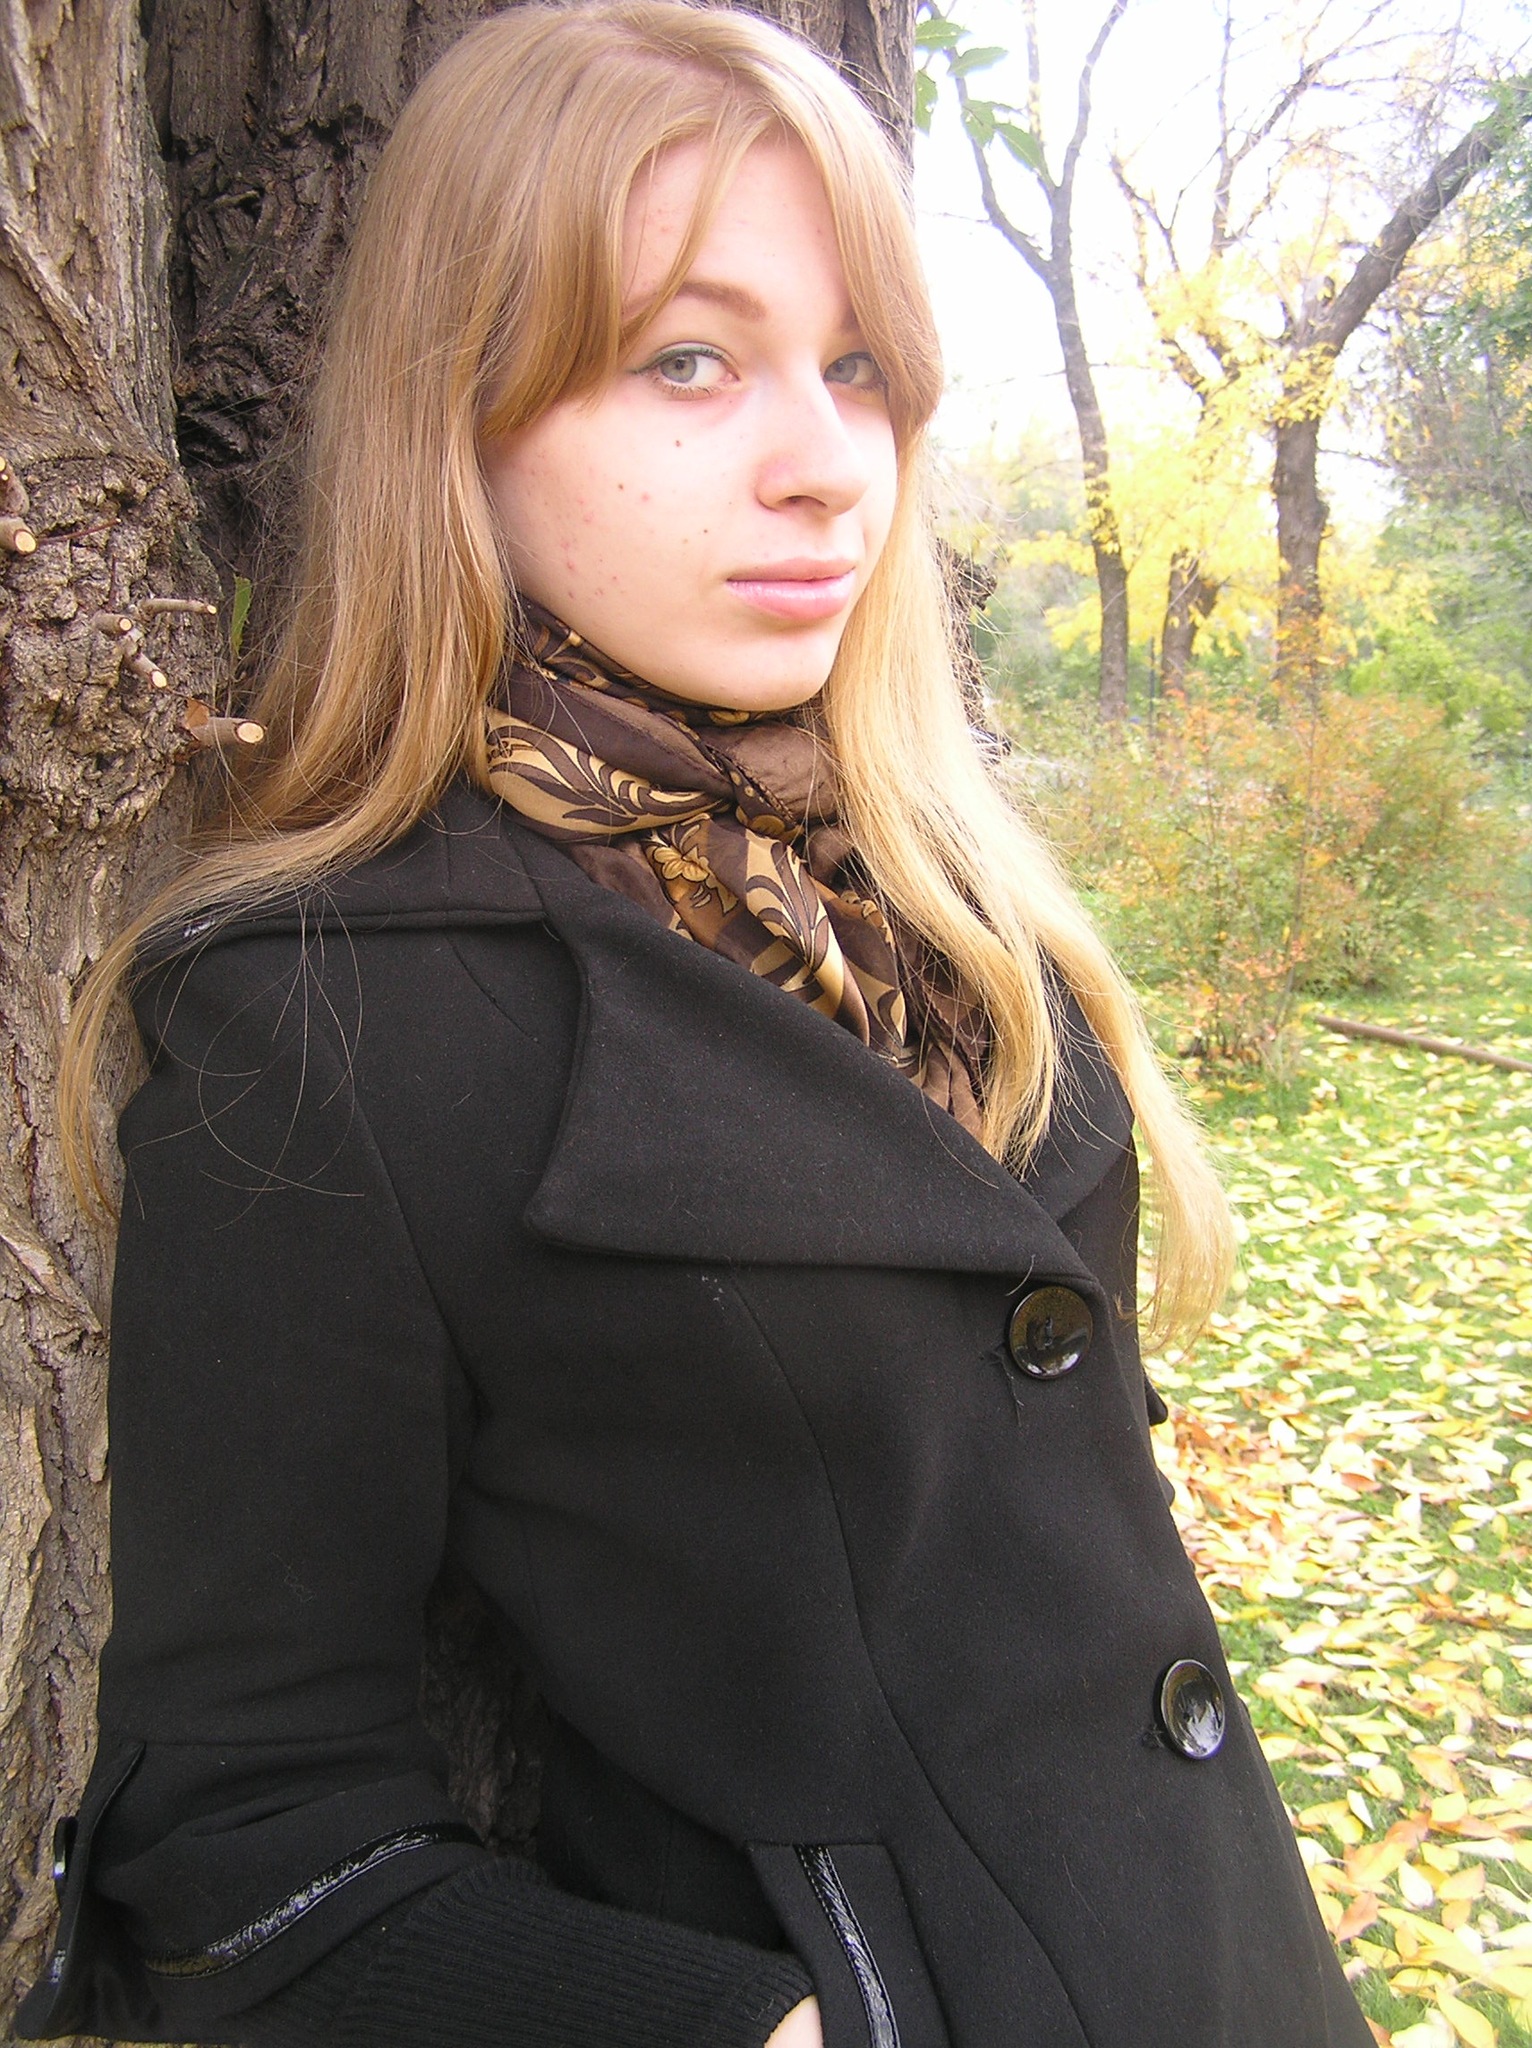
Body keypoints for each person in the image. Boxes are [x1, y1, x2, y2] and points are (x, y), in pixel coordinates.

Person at [19, 4, 1373, 2044]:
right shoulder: (333, 1030)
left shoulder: (936, 903)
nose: (825, 464)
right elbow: (242, 1848)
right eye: (687, 358)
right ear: (457, 405)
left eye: (858, 366)